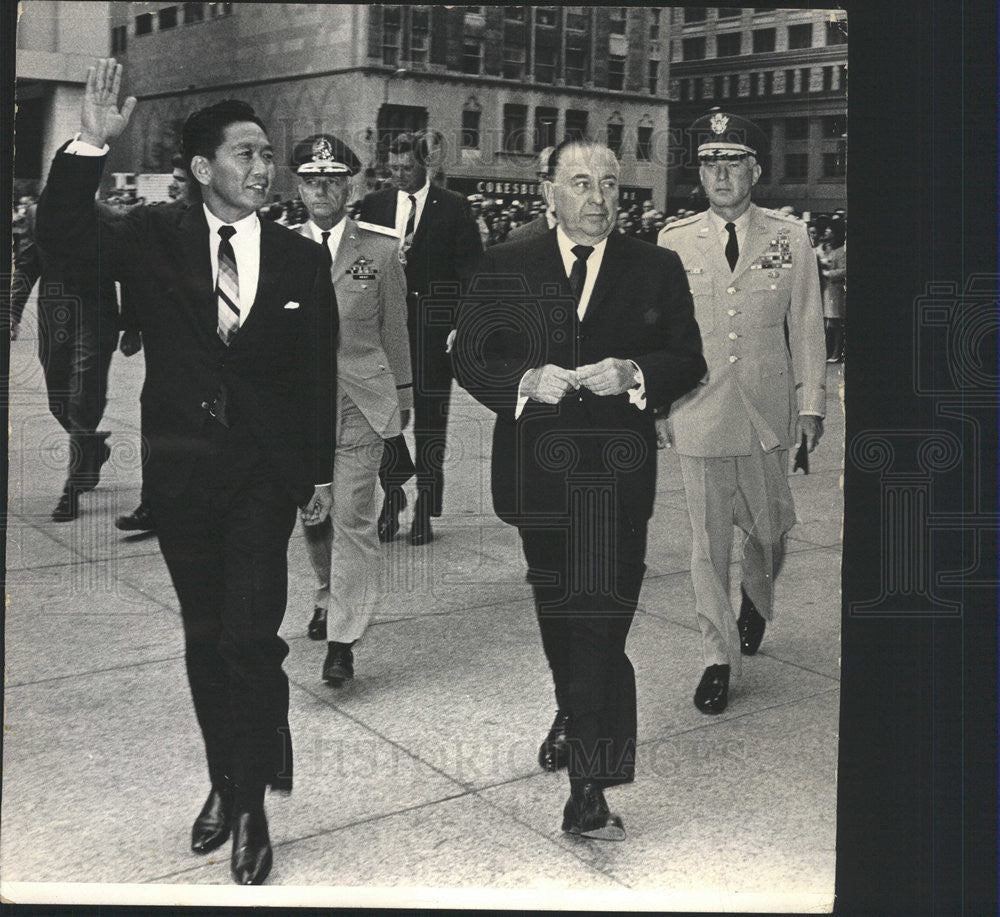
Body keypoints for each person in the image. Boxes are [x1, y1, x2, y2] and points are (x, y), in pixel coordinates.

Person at [35, 59, 337, 885]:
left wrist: (314, 477)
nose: (263, 167)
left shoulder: (299, 258)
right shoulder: (152, 239)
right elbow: (62, 241)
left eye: (265, 155)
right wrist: (88, 147)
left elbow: (318, 372)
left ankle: (250, 809)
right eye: (246, 154)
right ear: (203, 169)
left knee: (252, 638)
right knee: (206, 639)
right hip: (183, 473)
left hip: (263, 480)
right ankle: (225, 777)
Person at [453, 138, 705, 840]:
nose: (598, 197)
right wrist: (525, 381)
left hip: (618, 481)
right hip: (538, 476)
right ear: (549, 191)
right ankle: (575, 702)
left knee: (600, 619)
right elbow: (472, 352)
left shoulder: (656, 266)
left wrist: (634, 371)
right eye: (581, 182)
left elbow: (688, 358)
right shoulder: (506, 264)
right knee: (562, 615)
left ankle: (589, 783)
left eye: (609, 184)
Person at [657, 109, 826, 715]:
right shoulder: (673, 240)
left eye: (732, 161)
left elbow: (806, 323)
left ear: (754, 168)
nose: (721, 173)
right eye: (709, 162)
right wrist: (657, 403)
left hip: (765, 412)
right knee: (706, 547)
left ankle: (757, 596)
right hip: (699, 409)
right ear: (699, 174)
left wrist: (811, 405)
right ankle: (716, 657)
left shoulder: (790, 236)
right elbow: (663, 331)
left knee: (771, 532)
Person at [289, 133, 412, 686]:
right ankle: (324, 591)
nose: (322, 189)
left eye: (333, 180)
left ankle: (343, 639)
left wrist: (403, 396)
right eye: (312, 180)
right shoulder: (276, 248)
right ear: (298, 186)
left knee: (355, 519)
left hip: (360, 398)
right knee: (314, 514)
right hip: (299, 406)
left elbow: (395, 330)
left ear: (348, 187)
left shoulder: (380, 251)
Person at [359, 130, 482, 545]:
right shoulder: (374, 205)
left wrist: (459, 325)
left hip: (432, 335)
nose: (398, 176)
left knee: (430, 427)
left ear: (424, 164)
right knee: (385, 423)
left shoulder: (453, 207)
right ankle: (392, 499)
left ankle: (426, 508)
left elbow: (472, 274)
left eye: (406, 168)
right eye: (392, 169)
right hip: (385, 335)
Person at [9, 200, 121, 521]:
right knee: (59, 402)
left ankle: (72, 489)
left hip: (96, 317)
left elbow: (129, 270)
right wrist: (13, 313)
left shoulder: (106, 218)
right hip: (55, 321)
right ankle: (94, 449)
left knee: (83, 395)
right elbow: (28, 264)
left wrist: (134, 324)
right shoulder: (42, 214)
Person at [115, 154, 193, 534]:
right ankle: (153, 505)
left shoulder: (232, 222)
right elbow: (134, 272)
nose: (175, 184)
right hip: (168, 345)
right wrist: (131, 326)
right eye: (173, 177)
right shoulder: (157, 221)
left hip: (219, 348)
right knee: (158, 421)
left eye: (182, 178)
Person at [505, 146, 557, 243]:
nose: (552, 184)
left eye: (557, 175)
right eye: (545, 176)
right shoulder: (519, 238)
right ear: (539, 179)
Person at [818, 220, 846, 362]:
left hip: (836, 290)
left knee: (836, 323)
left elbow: (844, 271)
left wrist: (827, 274)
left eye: (830, 229)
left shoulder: (842, 251)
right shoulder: (826, 248)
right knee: (828, 323)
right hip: (827, 290)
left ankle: (837, 352)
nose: (826, 231)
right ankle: (830, 352)